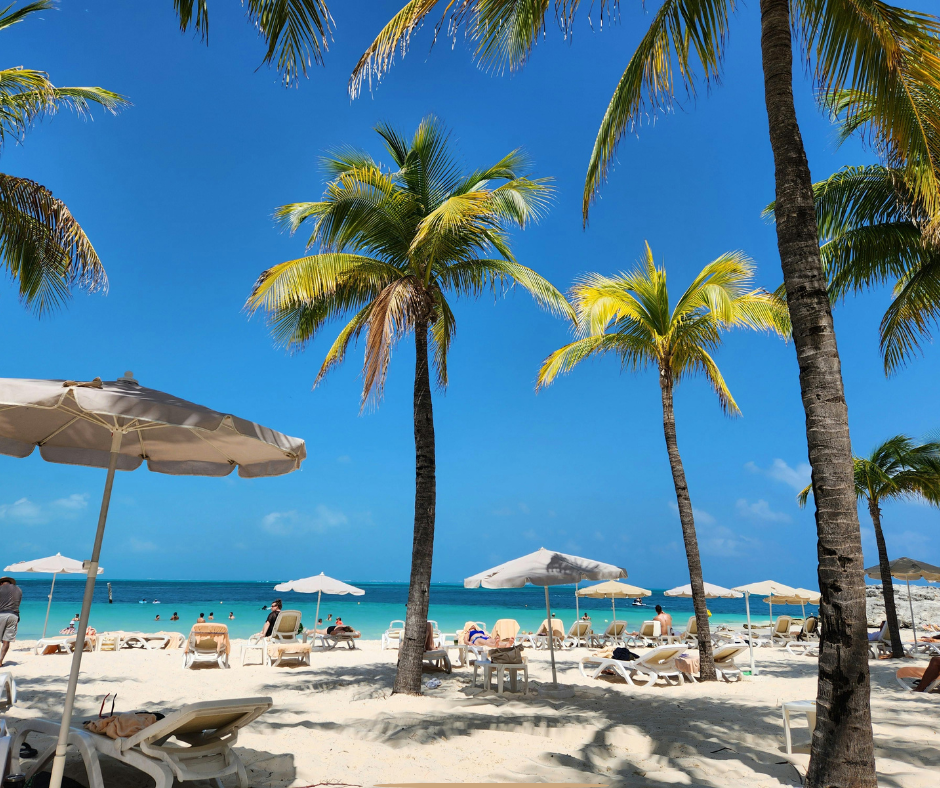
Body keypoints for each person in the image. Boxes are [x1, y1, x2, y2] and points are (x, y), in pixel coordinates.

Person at [0, 577, 23, 667]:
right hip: (13, 616)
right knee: (6, 641)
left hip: (1, 614)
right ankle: (0, 660)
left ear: (1, 583)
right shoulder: (18, 590)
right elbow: (18, 604)